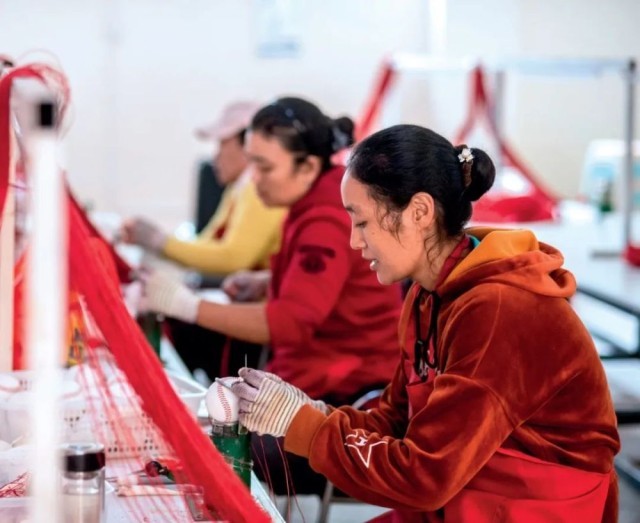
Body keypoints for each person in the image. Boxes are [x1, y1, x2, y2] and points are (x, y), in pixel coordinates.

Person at [229, 124, 621, 522]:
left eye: (362, 223)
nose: (354, 242)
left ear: (419, 212)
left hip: (527, 507)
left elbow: (426, 476)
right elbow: (397, 420)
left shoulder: (500, 309)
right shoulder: (426, 294)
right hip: (466, 492)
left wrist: (306, 427)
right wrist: (309, 412)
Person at [141, 97, 404, 494]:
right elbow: (337, 281)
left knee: (216, 451)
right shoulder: (317, 201)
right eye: (252, 164)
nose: (254, 179)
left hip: (344, 395)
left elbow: (290, 323)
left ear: (308, 166)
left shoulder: (326, 217)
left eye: (264, 167)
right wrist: (270, 281)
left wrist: (186, 305)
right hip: (322, 372)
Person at [122, 100, 285, 277]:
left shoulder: (259, 189)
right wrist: (158, 242)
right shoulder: (237, 189)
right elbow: (207, 241)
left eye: (222, 144)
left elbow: (233, 258)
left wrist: (160, 241)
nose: (216, 155)